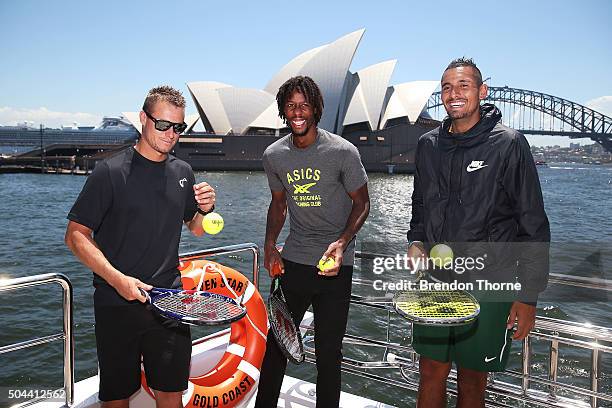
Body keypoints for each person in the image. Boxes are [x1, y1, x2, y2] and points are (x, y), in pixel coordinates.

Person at [407, 58, 550, 408]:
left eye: (463, 86)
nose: (453, 94)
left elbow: (532, 223)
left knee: (472, 381)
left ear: (482, 91)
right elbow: (420, 206)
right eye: (446, 88)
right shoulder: (428, 145)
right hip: (436, 282)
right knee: (430, 372)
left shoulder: (509, 144)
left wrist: (527, 297)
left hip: (489, 284)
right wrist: (415, 240)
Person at [65, 85, 216, 408]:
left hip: (169, 302)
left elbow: (197, 229)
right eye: (163, 124)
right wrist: (118, 280)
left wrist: (205, 210)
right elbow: (76, 236)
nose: (171, 133)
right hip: (116, 304)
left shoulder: (183, 172)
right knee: (117, 398)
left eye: (178, 127)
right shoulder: (109, 171)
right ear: (143, 119)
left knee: (171, 396)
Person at [255, 76, 370, 407]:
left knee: (330, 354)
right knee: (277, 345)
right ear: (283, 110)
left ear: (316, 108)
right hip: (295, 262)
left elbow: (363, 203)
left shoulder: (342, 152)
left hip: (336, 266)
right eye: (290, 105)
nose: (297, 112)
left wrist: (342, 243)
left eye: (304, 104)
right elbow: (278, 204)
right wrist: (269, 245)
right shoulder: (274, 155)